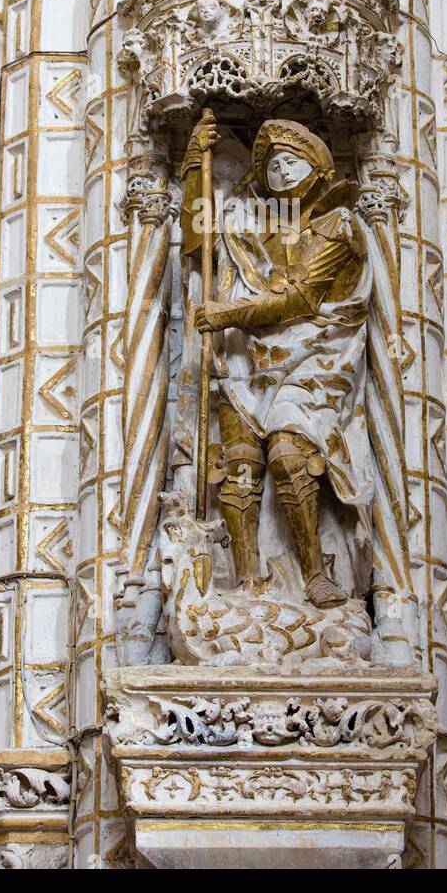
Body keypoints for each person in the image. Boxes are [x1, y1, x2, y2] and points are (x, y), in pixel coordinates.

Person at [178, 115, 375, 608]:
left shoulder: (337, 223)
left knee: (289, 455)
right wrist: (191, 170)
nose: (282, 173)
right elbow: (199, 243)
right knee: (237, 462)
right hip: (248, 355)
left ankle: (315, 573)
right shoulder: (249, 222)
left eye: (293, 162)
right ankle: (246, 582)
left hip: (317, 354)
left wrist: (225, 313)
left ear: (318, 166)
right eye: (273, 167)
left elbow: (303, 300)